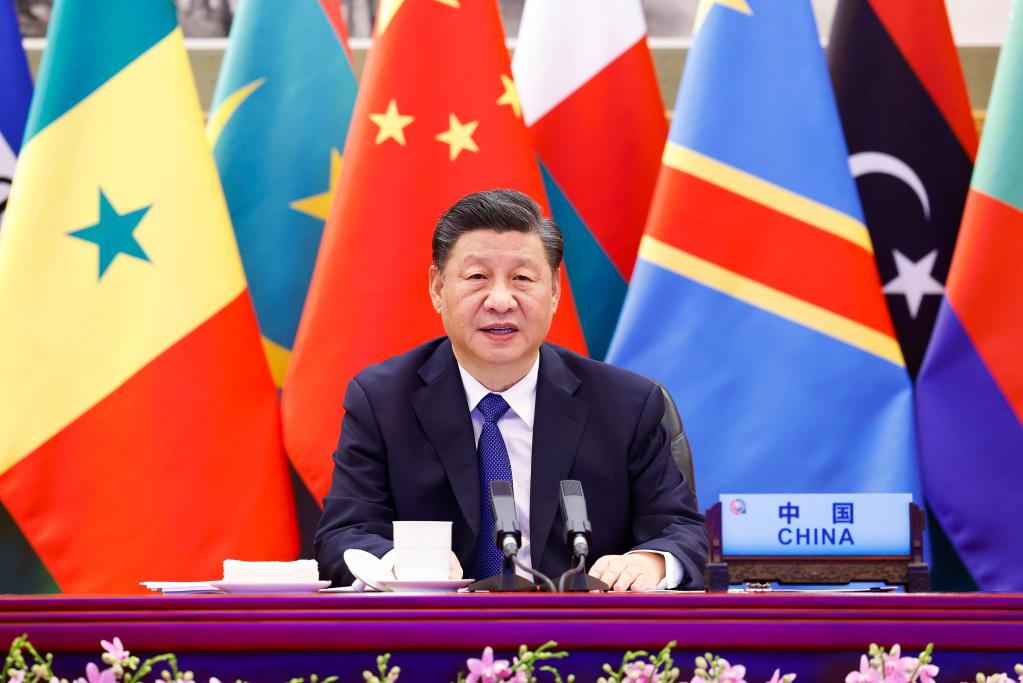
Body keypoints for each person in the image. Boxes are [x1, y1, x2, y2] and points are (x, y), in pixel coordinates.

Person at [315, 189, 707, 591]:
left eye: (522, 278)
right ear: (437, 288)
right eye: (477, 277)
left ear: (554, 291)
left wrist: (652, 562)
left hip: (580, 625)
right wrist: (396, 564)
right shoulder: (383, 401)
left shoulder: (625, 404)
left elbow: (680, 530)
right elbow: (345, 533)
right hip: (437, 625)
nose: (501, 301)